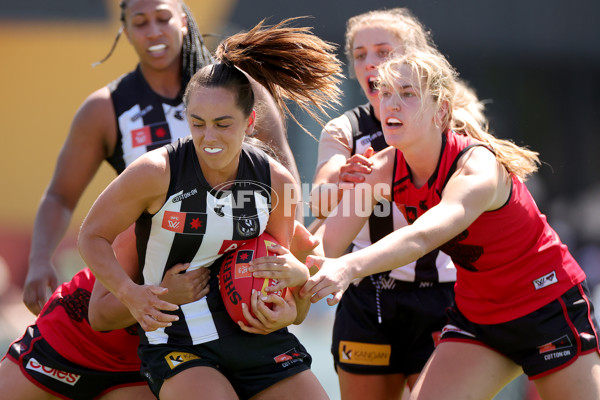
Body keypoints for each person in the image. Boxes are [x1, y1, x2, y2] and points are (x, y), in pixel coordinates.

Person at [301, 49, 600, 399]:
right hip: (480, 316)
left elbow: (422, 236)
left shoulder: (477, 167)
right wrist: (288, 279)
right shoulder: (383, 167)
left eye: (408, 94)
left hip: (545, 305)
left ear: (441, 110)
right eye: (385, 95)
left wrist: (347, 267)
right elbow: (326, 242)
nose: (391, 105)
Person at [78, 18, 342, 400]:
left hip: (258, 339)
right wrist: (133, 294)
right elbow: (92, 235)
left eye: (223, 124)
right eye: (198, 123)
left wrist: (294, 308)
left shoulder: (277, 182)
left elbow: (280, 276)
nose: (209, 137)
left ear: (250, 122)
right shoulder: (155, 173)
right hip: (179, 342)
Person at [23, 0, 302, 317]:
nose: (153, 31)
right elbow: (61, 196)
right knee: (85, 325)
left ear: (183, 21)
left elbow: (283, 185)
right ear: (125, 31)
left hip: (232, 281)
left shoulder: (237, 90)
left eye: (163, 18)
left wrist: (291, 280)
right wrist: (39, 259)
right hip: (144, 278)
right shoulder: (105, 109)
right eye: (140, 22)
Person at [308, 9, 486, 399]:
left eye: (383, 51)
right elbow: (320, 202)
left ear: (412, 57)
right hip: (369, 295)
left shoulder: (457, 124)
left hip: (446, 295)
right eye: (360, 54)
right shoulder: (345, 130)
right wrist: (343, 179)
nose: (371, 63)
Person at [0, 225, 210, 400]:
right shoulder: (155, 186)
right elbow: (100, 316)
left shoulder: (236, 221)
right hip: (72, 334)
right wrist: (39, 260)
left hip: (141, 361)